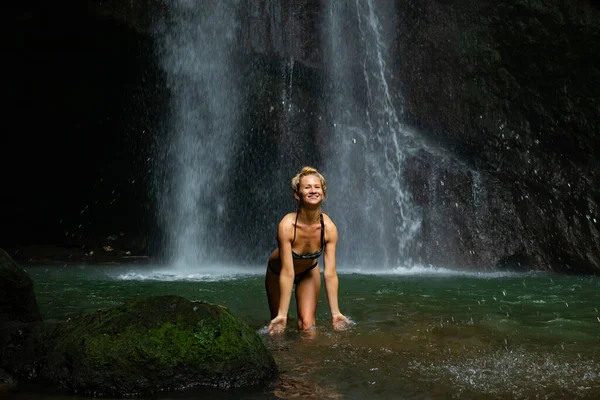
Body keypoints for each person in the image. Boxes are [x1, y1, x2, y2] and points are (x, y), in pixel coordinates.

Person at [266, 166, 349, 334]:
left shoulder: (329, 228)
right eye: (307, 187)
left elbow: (330, 273)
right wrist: (282, 313)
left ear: (323, 194)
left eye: (317, 187)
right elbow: (287, 272)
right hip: (278, 272)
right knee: (277, 325)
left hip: (309, 273)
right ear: (297, 194)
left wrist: (336, 313)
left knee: (308, 327)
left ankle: (308, 359)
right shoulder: (287, 226)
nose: (313, 190)